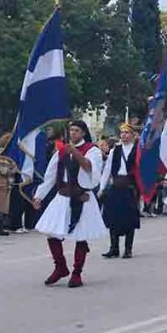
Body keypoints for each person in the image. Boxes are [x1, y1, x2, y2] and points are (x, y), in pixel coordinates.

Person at [32, 120, 107, 288]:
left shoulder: (92, 150)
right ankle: (60, 267)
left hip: (81, 197)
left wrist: (75, 152)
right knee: (52, 233)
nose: (73, 133)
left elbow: (90, 168)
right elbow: (50, 176)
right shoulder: (61, 151)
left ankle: (77, 272)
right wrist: (39, 196)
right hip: (63, 196)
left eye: (76, 130)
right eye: (71, 130)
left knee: (81, 236)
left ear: (83, 133)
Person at [99, 123, 140, 259]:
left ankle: (128, 249)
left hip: (130, 188)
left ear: (133, 135)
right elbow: (107, 170)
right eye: (122, 133)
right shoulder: (114, 150)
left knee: (129, 219)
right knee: (113, 218)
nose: (124, 135)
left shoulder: (138, 150)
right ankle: (114, 248)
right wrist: (102, 188)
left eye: (127, 133)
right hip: (116, 187)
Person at [0, 134, 19, 237]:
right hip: (0, 181)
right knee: (0, 206)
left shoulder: (2, 153)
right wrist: (14, 169)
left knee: (1, 206)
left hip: (0, 182)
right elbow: (2, 170)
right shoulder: (4, 154)